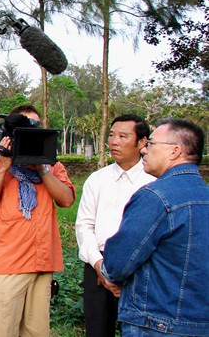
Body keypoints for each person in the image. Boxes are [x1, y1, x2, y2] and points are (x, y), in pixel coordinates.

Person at [0, 104, 75, 337]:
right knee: (1, 331)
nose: (30, 132)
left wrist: (43, 170)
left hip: (42, 263)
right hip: (8, 265)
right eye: (24, 127)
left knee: (37, 333)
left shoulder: (51, 165)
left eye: (35, 127)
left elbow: (66, 199)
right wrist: (3, 168)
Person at [102, 118, 208, 336]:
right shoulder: (204, 196)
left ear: (175, 151)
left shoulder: (156, 197)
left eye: (150, 144)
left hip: (156, 323)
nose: (144, 150)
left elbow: (118, 262)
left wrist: (107, 271)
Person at [75, 114, 156, 337]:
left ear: (142, 143)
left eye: (123, 136)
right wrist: (98, 264)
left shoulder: (154, 182)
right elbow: (84, 225)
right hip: (98, 267)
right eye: (111, 135)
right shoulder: (97, 179)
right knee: (98, 329)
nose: (114, 142)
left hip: (142, 268)